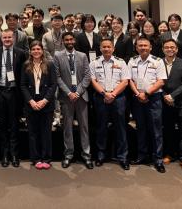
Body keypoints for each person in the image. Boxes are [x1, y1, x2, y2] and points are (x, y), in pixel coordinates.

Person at [89, 38, 130, 170]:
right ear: (100, 48)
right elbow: (93, 81)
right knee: (101, 127)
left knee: (121, 128)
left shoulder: (121, 62)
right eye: (104, 47)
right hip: (101, 97)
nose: (106, 49)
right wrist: (104, 94)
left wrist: (113, 94)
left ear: (113, 48)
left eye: (109, 47)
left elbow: (125, 81)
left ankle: (123, 157)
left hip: (118, 98)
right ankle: (101, 155)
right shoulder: (94, 63)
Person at [128, 36, 167, 173]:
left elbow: (161, 81)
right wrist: (138, 94)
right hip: (137, 98)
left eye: (145, 45)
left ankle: (158, 160)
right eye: (140, 45)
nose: (143, 47)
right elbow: (129, 80)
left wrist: (146, 93)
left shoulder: (158, 61)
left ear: (150, 47)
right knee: (141, 128)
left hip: (153, 98)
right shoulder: (132, 61)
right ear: (136, 47)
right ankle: (142, 156)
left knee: (156, 130)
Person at [54, 31, 93, 169]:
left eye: (71, 39)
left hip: (81, 96)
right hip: (67, 97)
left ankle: (86, 155)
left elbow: (87, 76)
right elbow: (57, 77)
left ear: (74, 41)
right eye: (67, 40)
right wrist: (69, 93)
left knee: (84, 127)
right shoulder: (57, 56)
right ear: (63, 41)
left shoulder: (82, 56)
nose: (69, 42)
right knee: (67, 127)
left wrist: (78, 92)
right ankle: (68, 154)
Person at [0, 29, 27, 167]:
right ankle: (4, 154)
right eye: (4, 37)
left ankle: (14, 154)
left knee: (14, 125)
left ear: (14, 38)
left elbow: (23, 74)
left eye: (9, 37)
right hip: (0, 92)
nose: (7, 39)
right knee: (2, 125)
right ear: (1, 39)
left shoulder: (21, 53)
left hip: (14, 93)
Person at [21, 41, 57, 169]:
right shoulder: (26, 65)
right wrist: (31, 101)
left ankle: (46, 158)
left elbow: (53, 84)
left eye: (38, 49)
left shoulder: (50, 64)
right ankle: (36, 159)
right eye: (34, 49)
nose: (36, 51)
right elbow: (23, 85)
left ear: (42, 51)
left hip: (46, 102)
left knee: (46, 132)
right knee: (33, 133)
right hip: (31, 102)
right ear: (30, 51)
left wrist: (45, 100)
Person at [161, 38, 182, 172]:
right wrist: (165, 96)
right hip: (165, 103)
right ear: (163, 49)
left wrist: (172, 96)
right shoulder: (158, 63)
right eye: (167, 47)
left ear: (177, 49)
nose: (170, 49)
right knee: (168, 130)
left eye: (172, 47)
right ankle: (170, 154)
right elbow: (155, 81)